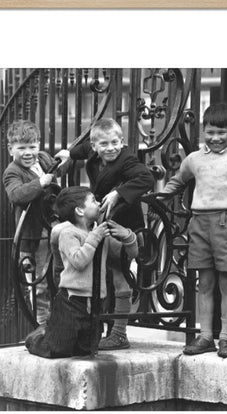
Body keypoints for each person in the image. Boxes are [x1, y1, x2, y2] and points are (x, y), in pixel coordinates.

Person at [159, 103, 227, 358]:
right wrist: (159, 197)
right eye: (211, 132)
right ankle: (205, 336)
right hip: (199, 224)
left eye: (222, 132)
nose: (216, 138)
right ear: (203, 131)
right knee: (203, 283)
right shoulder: (194, 159)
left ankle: (225, 337)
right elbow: (177, 181)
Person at [55, 118, 154, 350]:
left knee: (120, 277)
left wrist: (119, 192)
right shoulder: (93, 150)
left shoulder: (126, 159)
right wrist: (69, 154)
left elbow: (147, 178)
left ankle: (119, 334)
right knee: (100, 275)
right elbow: (80, 149)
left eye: (115, 143)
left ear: (122, 142)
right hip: (102, 224)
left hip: (125, 227)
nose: (110, 148)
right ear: (95, 145)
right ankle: (90, 323)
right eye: (104, 144)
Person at [25, 186, 138, 358]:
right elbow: (78, 261)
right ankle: (37, 337)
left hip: (95, 303)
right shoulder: (68, 234)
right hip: (71, 301)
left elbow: (131, 254)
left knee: (86, 349)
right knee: (57, 349)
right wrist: (96, 237)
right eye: (93, 201)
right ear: (79, 210)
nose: (99, 203)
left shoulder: (99, 233)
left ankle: (54, 333)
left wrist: (127, 235)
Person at [2, 119, 68, 325]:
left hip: (54, 226)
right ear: (10, 149)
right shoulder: (12, 171)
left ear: (38, 145)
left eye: (32, 146)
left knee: (59, 274)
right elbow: (16, 195)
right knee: (39, 282)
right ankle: (41, 325)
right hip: (34, 234)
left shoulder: (43, 158)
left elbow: (58, 173)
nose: (28, 152)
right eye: (21, 148)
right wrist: (40, 183)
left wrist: (65, 161)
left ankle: (60, 318)